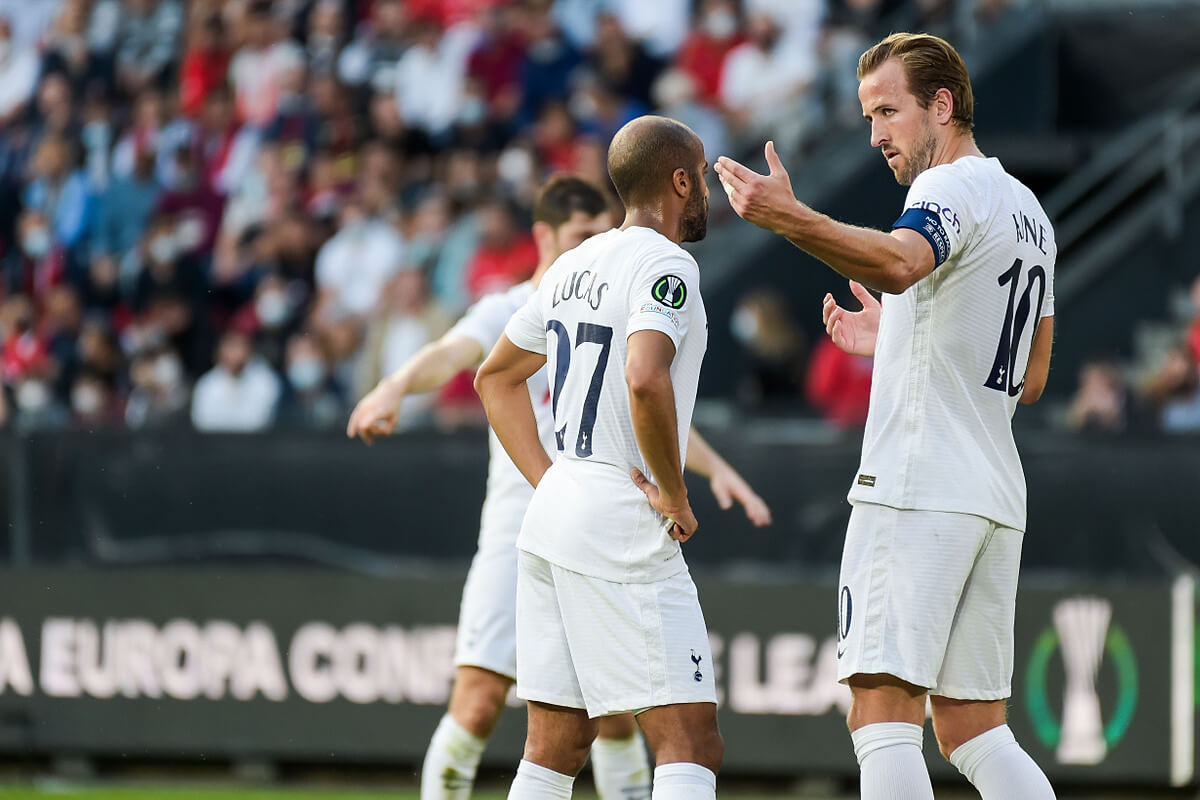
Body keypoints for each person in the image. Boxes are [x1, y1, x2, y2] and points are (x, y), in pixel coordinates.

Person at [349, 173, 770, 800]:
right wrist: (394, 385)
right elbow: (641, 383)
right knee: (677, 734)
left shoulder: (581, 278)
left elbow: (619, 401)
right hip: (577, 510)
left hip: (556, 510)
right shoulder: (548, 291)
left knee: (570, 738)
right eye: (580, 232)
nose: (595, 239)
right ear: (545, 235)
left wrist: (712, 469)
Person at [715, 32, 1056, 800]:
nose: (874, 135)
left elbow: (903, 261)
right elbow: (1031, 378)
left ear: (942, 104)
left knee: (881, 716)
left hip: (918, 482)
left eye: (887, 111)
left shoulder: (947, 189)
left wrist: (789, 218)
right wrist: (901, 335)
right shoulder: (1030, 211)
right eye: (869, 115)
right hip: (993, 493)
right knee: (975, 728)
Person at [474, 117, 734, 800]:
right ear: (680, 180)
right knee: (690, 738)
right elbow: (645, 376)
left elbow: (494, 378)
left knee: (555, 744)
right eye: (701, 173)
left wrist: (553, 482)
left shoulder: (570, 265)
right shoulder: (667, 264)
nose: (705, 187)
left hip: (556, 511)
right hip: (621, 512)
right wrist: (676, 494)